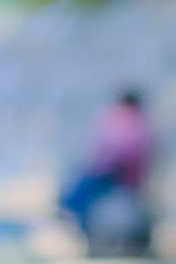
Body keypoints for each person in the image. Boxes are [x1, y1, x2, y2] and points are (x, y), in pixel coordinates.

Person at [57, 89, 153, 254]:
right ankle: (77, 227)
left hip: (116, 176)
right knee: (80, 195)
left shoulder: (132, 124)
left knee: (77, 197)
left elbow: (125, 154)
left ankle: (80, 231)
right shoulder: (131, 123)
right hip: (110, 174)